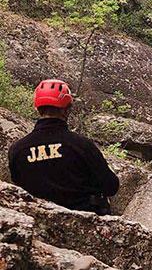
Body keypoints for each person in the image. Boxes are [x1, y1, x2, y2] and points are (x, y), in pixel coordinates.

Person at [8, 79, 119, 215]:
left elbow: (18, 184)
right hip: (85, 221)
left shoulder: (18, 150)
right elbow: (111, 186)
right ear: (67, 110)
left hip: (36, 221)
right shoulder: (81, 145)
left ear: (37, 108)